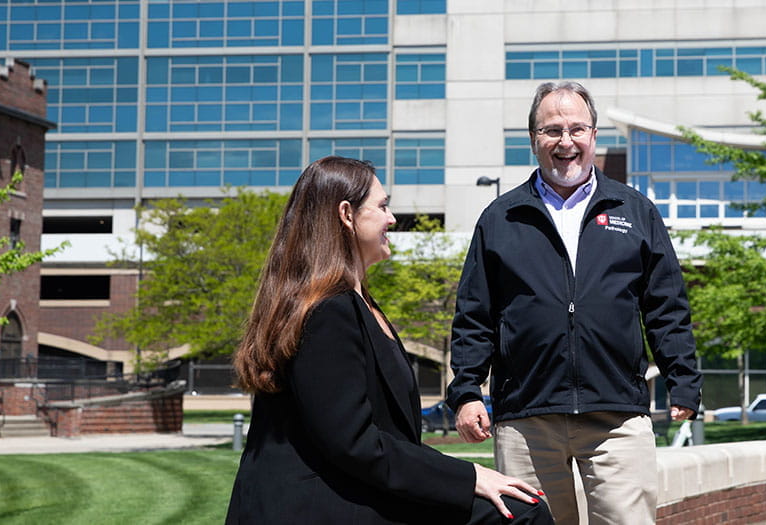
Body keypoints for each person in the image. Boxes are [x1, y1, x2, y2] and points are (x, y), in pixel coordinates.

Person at [226, 156, 554, 524]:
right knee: (522, 515)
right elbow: (356, 444)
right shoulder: (326, 312)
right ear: (347, 215)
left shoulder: (357, 303)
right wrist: (471, 476)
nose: (392, 218)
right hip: (322, 505)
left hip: (359, 490)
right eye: (382, 206)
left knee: (523, 509)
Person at [448, 82, 702, 524]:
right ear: (533, 141)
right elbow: (475, 315)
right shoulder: (500, 218)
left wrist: (683, 378)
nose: (566, 141)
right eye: (551, 131)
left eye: (576, 129)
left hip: (616, 417)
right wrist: (467, 391)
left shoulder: (634, 210)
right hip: (527, 418)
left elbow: (666, 306)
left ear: (594, 135)